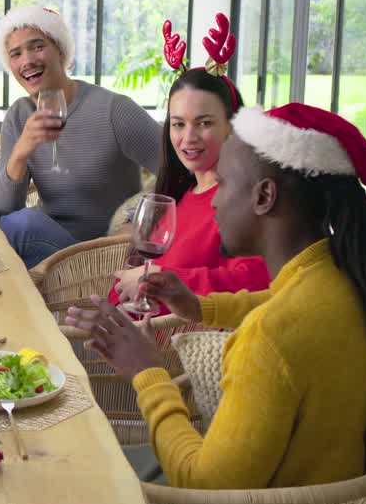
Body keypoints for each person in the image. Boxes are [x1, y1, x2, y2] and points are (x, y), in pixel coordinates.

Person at [66, 103, 366, 489]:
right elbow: (280, 302)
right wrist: (198, 306)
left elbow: (205, 485)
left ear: (264, 196)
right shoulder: (353, 279)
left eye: (223, 182)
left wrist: (148, 373)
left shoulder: (269, 337)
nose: (212, 200)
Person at [108, 19, 270, 313]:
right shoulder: (178, 195)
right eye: (178, 124)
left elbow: (257, 279)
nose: (188, 138)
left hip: (178, 350)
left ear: (232, 127)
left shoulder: (245, 202)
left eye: (204, 123)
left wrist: (158, 280)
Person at [0, 6, 162, 268]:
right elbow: (1, 211)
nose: (27, 61)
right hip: (47, 246)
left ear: (60, 50)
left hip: (99, 255)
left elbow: (180, 172)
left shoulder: (114, 110)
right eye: (16, 54)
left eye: (37, 47)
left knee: (21, 227)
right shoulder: (19, 115)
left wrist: (133, 218)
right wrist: (20, 153)